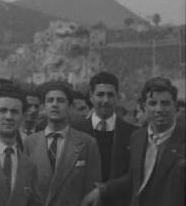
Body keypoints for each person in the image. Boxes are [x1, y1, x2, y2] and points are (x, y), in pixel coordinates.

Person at [81, 77, 185, 206]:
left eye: (165, 103)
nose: (159, 109)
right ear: (144, 106)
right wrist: (103, 190)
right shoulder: (137, 137)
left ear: (175, 105)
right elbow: (134, 178)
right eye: (153, 103)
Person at [24, 81, 100, 206]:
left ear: (70, 107)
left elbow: (92, 191)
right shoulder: (30, 142)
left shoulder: (87, 143)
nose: (55, 104)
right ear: (43, 107)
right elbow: (26, 188)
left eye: (60, 101)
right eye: (50, 100)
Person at [72, 72, 137, 206]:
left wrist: (105, 190)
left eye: (110, 95)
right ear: (91, 96)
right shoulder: (75, 131)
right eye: (100, 94)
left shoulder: (133, 134)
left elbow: (134, 174)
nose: (105, 100)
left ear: (117, 97)